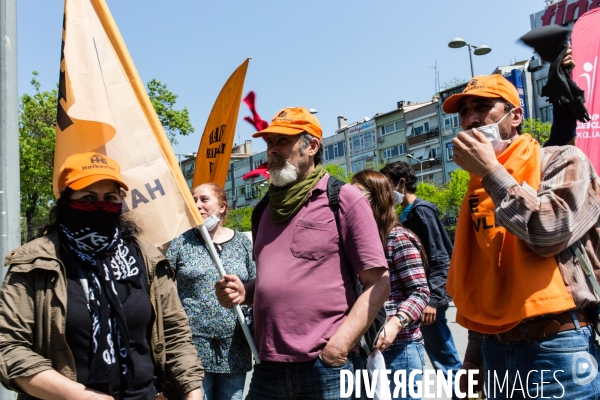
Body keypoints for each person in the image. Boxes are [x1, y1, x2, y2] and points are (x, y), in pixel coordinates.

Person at [215, 106, 390, 400]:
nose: (271, 150)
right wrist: (245, 291)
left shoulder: (343, 198)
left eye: (282, 141)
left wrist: (338, 347)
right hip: (269, 365)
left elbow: (378, 283)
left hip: (326, 366)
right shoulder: (262, 211)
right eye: (269, 142)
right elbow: (283, 277)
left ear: (311, 146)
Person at [0, 152, 204, 400]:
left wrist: (192, 391)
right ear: (65, 201)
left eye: (110, 197)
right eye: (87, 197)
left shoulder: (147, 258)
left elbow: (175, 335)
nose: (100, 206)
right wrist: (80, 396)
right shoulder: (33, 263)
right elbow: (9, 348)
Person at [446, 72, 600, 399]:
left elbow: (549, 234)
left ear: (515, 116)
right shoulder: (477, 188)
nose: (471, 119)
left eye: (483, 106)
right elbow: (485, 278)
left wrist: (491, 171)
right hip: (495, 353)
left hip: (558, 349)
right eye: (464, 112)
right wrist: (473, 356)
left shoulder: (561, 160)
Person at [166, 183, 255, 400]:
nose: (197, 205)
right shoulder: (181, 243)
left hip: (235, 348)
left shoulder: (243, 244)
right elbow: (164, 291)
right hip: (192, 350)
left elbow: (256, 288)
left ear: (222, 207)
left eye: (204, 200)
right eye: (194, 200)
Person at [380, 162, 462, 385]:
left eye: (387, 184)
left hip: (428, 302)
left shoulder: (422, 211)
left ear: (401, 183)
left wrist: (433, 301)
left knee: (445, 359)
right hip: (420, 302)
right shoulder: (405, 214)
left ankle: (466, 394)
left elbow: (441, 258)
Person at [352, 170, 430, 400]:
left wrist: (396, 324)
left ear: (376, 199)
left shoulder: (397, 238)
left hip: (401, 350)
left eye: (357, 195)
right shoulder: (361, 242)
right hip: (366, 351)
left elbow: (420, 291)